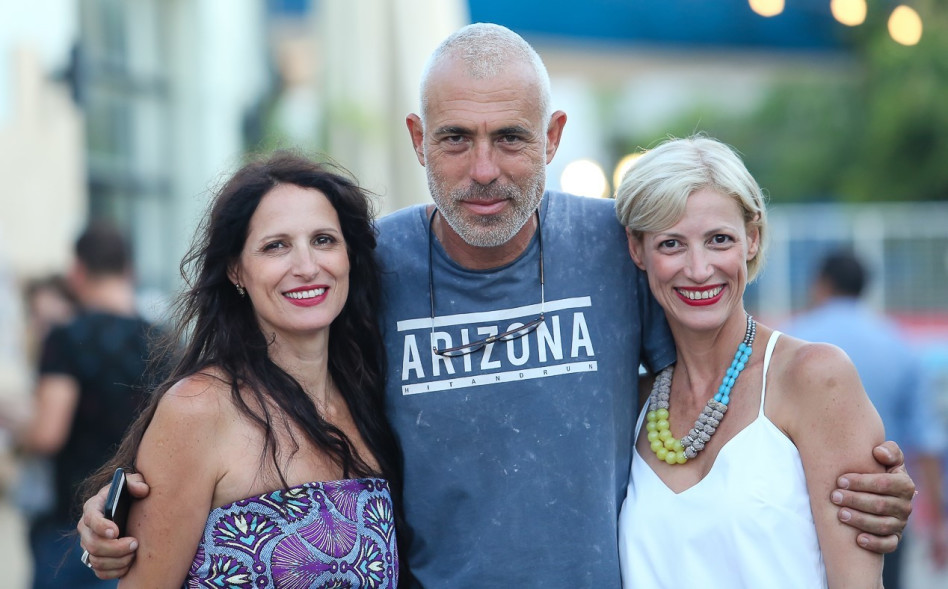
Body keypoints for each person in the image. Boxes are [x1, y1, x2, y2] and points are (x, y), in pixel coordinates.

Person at [79, 23, 916, 588]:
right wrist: (127, 511)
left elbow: (711, 381)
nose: (484, 170)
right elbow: (263, 398)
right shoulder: (367, 266)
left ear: (552, 137)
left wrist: (845, 468)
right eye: (456, 139)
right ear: (419, 140)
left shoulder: (621, 246)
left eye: (511, 138)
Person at [80, 153, 408, 587]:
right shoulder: (198, 409)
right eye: (276, 246)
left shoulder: (373, 397)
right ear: (236, 269)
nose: (307, 266)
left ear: (349, 256)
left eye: (324, 240)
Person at [614, 135, 887, 587]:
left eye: (719, 240)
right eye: (671, 244)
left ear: (752, 239)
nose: (699, 269)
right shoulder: (632, 402)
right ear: (637, 249)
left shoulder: (814, 377)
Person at [784, 249, 948, 589]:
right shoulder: (898, 343)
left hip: (802, 513)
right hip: (881, 511)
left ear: (820, 284)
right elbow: (926, 442)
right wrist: (938, 524)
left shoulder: (791, 341)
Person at [6, 223, 156, 589]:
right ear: (130, 270)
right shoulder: (162, 341)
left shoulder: (67, 338)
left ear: (77, 272)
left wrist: (16, 425)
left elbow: (48, 434)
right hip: (137, 523)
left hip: (72, 524)